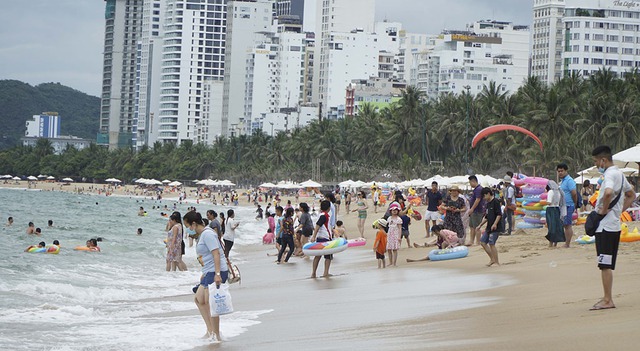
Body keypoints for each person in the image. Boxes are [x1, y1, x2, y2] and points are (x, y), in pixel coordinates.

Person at [589, 145, 635, 311]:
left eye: (596, 162)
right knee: (606, 263)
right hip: (613, 225)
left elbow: (608, 193)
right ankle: (607, 297)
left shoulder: (610, 174)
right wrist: (619, 211)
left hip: (606, 227)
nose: (596, 165)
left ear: (603, 160)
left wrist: (603, 210)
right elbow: (632, 194)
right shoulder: (620, 175)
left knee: (605, 264)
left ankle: (608, 299)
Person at [184, 211, 229, 342]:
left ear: (193, 224)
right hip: (209, 271)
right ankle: (210, 331)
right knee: (199, 299)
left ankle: (216, 335)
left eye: (187, 225)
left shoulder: (208, 234)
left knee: (211, 303)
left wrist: (218, 274)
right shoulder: (203, 234)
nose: (188, 229)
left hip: (216, 271)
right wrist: (204, 272)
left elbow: (216, 254)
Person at [476, 187, 503, 267]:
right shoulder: (488, 204)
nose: (484, 198)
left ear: (488, 194)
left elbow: (499, 214)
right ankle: (492, 259)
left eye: (484, 196)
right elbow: (487, 217)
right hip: (489, 227)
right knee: (483, 242)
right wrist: (480, 225)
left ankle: (497, 262)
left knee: (491, 243)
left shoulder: (496, 202)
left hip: (495, 227)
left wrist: (495, 224)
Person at [310, 200, 333, 278]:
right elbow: (318, 225)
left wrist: (315, 236)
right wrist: (313, 236)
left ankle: (313, 273)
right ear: (329, 208)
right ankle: (325, 273)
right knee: (328, 257)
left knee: (317, 256)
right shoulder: (324, 216)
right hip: (325, 238)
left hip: (320, 238)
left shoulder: (320, 215)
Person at [557, 163, 578, 247]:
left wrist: (575, 203)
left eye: (562, 171)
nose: (560, 173)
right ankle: (566, 242)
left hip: (569, 205)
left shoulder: (569, 180)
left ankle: (567, 243)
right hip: (563, 206)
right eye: (559, 171)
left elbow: (574, 193)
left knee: (567, 225)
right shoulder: (562, 182)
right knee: (565, 224)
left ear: (566, 171)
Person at [545, 180, 566, 247]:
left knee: (551, 226)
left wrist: (542, 202)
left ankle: (550, 243)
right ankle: (555, 243)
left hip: (550, 209)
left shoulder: (551, 192)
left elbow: (549, 202)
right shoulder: (559, 192)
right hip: (557, 209)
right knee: (557, 226)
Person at [466, 175, 485, 246]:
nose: (470, 184)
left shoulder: (478, 189)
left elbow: (478, 199)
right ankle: (471, 240)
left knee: (477, 227)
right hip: (474, 211)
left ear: (473, 181)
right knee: (472, 226)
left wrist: (472, 208)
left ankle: (478, 241)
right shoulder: (476, 189)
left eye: (470, 182)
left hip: (477, 210)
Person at [386, 202, 402, 267]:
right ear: (391, 211)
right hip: (390, 234)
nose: (394, 211)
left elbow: (400, 228)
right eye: (393, 210)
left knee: (395, 249)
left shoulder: (398, 219)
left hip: (395, 234)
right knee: (389, 249)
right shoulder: (389, 218)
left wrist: (399, 237)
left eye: (396, 210)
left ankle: (394, 263)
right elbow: (388, 227)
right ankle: (390, 262)